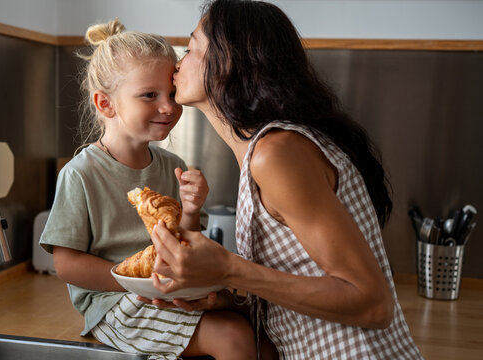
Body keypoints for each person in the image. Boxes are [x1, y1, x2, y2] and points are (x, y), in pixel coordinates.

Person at [147, 1, 424, 359]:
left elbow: (372, 303)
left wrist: (230, 269)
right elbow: (302, 297)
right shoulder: (264, 152)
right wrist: (222, 300)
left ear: (228, 61)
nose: (177, 64)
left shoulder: (276, 154)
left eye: (190, 48)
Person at [40, 18, 255, 360]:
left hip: (167, 292)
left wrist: (193, 209)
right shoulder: (80, 174)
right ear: (105, 104)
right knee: (233, 337)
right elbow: (66, 264)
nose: (168, 107)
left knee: (259, 331)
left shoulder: (172, 164)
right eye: (149, 95)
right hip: (112, 304)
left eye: (171, 93)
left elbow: (181, 243)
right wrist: (135, 279)